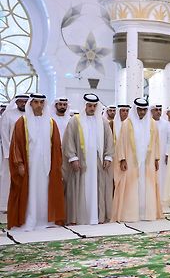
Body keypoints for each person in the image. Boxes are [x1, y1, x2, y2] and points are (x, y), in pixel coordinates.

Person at [7, 94, 65, 231]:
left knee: (46, 190)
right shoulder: (23, 121)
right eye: (36, 102)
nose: (39, 105)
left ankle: (45, 219)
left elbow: (57, 146)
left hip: (47, 166)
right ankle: (30, 218)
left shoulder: (51, 123)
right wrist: (19, 163)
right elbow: (15, 144)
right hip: (29, 166)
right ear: (31, 104)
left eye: (41, 102)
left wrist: (57, 165)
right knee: (30, 190)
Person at [62, 94, 114, 225]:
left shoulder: (103, 122)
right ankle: (79, 217)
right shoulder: (75, 121)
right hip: (81, 161)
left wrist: (108, 156)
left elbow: (109, 140)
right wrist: (73, 158)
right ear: (84, 105)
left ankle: (98, 216)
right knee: (80, 188)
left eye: (94, 106)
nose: (92, 108)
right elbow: (68, 140)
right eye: (89, 105)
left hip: (98, 162)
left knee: (98, 188)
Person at [111, 98, 162, 222]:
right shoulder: (127, 123)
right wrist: (122, 159)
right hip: (131, 161)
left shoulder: (152, 123)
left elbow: (156, 142)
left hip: (147, 162)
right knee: (131, 186)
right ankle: (130, 214)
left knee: (147, 186)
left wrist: (156, 158)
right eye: (140, 110)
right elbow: (121, 143)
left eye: (144, 110)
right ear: (135, 109)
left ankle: (147, 214)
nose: (142, 112)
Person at [0, 94, 29, 212]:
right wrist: (8, 154)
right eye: (21, 101)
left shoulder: (30, 115)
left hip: (26, 153)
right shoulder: (8, 114)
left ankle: (24, 204)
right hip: (10, 154)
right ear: (16, 102)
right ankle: (5, 205)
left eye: (25, 102)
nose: (23, 104)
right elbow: (4, 135)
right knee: (7, 178)